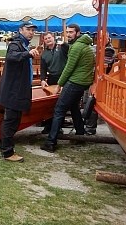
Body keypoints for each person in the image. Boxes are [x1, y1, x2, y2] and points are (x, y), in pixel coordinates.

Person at [41, 23, 95, 153]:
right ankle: (80, 135)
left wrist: (59, 85)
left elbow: (68, 68)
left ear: (77, 33)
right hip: (81, 82)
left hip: (75, 82)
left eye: (71, 32)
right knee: (74, 108)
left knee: (59, 109)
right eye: (67, 32)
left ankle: (51, 142)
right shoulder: (84, 45)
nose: (69, 34)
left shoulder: (76, 47)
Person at [0, 21, 41, 162]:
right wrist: (27, 54)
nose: (31, 32)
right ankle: (7, 153)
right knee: (10, 121)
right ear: (21, 30)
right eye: (28, 30)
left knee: (14, 121)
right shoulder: (15, 44)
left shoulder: (23, 45)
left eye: (33, 30)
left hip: (17, 91)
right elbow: (12, 56)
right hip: (12, 92)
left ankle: (7, 148)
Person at [39, 32, 68, 133]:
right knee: (50, 104)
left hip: (63, 78)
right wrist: (42, 79)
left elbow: (69, 48)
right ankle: (48, 125)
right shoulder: (44, 54)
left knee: (61, 103)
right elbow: (43, 68)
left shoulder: (62, 49)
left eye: (49, 38)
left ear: (54, 38)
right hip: (51, 79)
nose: (48, 40)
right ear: (44, 41)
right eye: (46, 38)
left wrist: (64, 43)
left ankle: (58, 127)